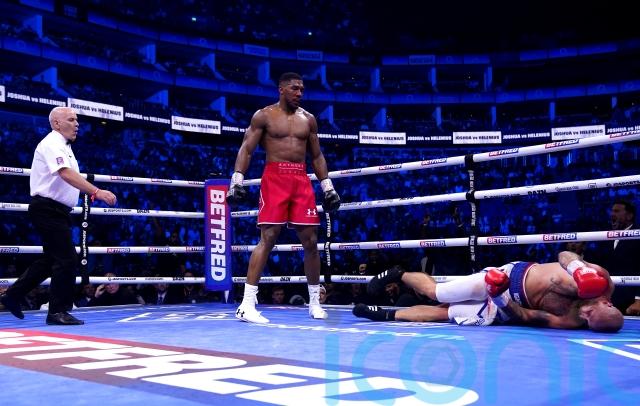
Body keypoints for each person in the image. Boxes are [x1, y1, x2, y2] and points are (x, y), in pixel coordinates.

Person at [226, 72, 340, 324]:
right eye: (295, 88)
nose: (300, 93)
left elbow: (317, 156)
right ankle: (246, 305)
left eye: (302, 89)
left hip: (301, 179)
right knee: (268, 238)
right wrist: (237, 181)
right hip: (274, 178)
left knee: (311, 242)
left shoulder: (308, 119)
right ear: (281, 89)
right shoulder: (264, 116)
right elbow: (247, 148)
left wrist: (328, 187)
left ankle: (314, 303)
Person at [0, 106, 117, 325]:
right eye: (71, 119)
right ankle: (57, 311)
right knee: (67, 259)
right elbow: (65, 173)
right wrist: (96, 191)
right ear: (56, 123)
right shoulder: (52, 143)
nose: (77, 124)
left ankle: (12, 295)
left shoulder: (63, 146)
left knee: (51, 259)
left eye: (77, 120)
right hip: (48, 208)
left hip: (56, 210)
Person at [355, 251, 624, 332]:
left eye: (588, 322)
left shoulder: (573, 320)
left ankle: (387, 315)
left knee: (445, 314)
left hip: (504, 302)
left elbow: (526, 316)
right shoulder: (602, 281)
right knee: (438, 293)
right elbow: (565, 254)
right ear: (608, 304)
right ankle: (399, 273)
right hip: (510, 273)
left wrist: (498, 297)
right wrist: (579, 270)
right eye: (591, 314)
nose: (585, 316)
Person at [585, 199, 640, 315]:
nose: (612, 214)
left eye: (617, 211)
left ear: (629, 216)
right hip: (608, 298)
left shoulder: (637, 235)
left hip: (631, 300)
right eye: (612, 211)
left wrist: (639, 299)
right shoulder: (606, 236)